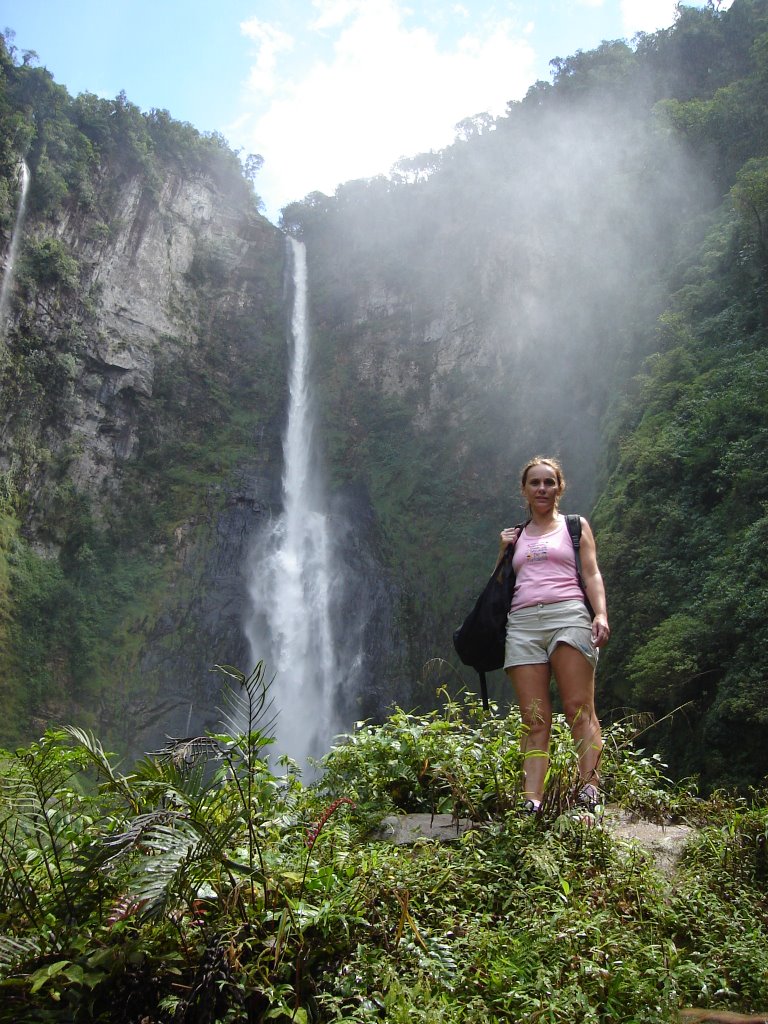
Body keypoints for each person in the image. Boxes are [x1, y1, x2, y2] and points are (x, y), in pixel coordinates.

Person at [499, 456, 610, 817]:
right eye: (535, 483)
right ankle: (531, 798)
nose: (542, 488)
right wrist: (502, 553)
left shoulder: (575, 527)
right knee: (533, 718)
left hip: (568, 615)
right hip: (523, 623)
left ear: (559, 487)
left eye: (549, 482)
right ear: (524, 490)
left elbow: (591, 573)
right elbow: (498, 588)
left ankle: (590, 787)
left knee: (579, 707)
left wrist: (601, 614)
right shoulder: (514, 537)